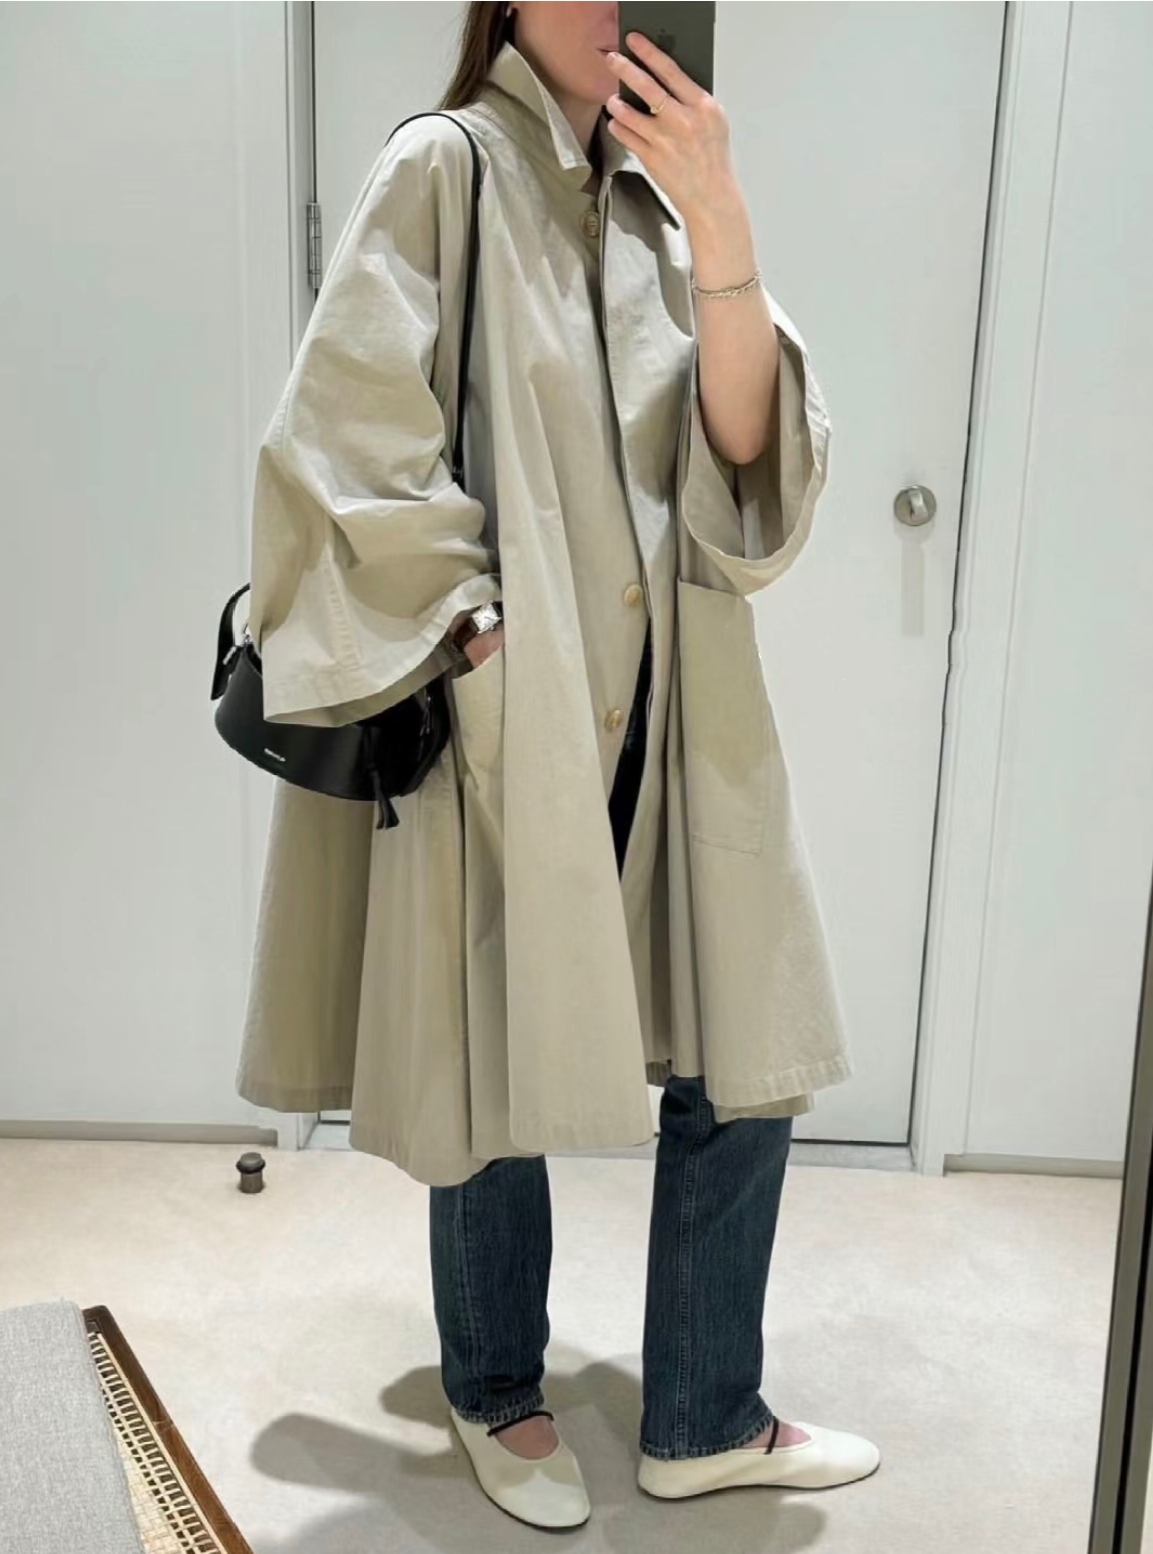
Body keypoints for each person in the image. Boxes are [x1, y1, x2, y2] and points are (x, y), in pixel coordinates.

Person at [236, 0, 877, 1527]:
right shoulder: (444, 166)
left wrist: (721, 224)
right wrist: (473, 631)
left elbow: (744, 461)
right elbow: (341, 433)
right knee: (488, 1052)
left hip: (684, 707)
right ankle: (493, 1388)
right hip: (511, 712)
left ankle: (703, 1413)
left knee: (747, 1052)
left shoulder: (660, 212)